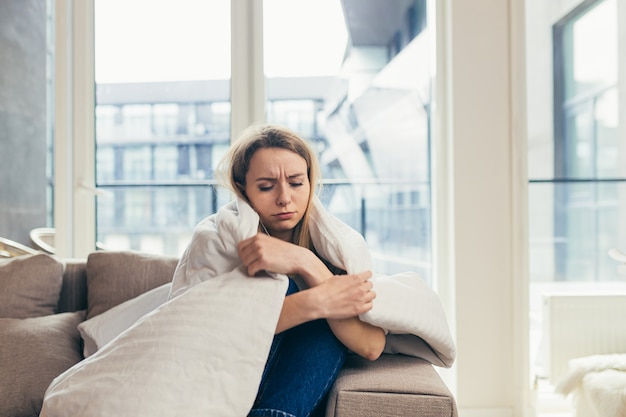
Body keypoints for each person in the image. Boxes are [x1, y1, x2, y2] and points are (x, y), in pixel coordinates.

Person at [214, 123, 387, 417]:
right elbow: (214, 333)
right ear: (243, 189)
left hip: (285, 403)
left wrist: (307, 263)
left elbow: (371, 346)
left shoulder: (337, 248)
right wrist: (316, 300)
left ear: (310, 183)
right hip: (223, 386)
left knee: (326, 315)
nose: (284, 198)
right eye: (266, 186)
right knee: (297, 293)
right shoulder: (219, 239)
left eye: (296, 183)